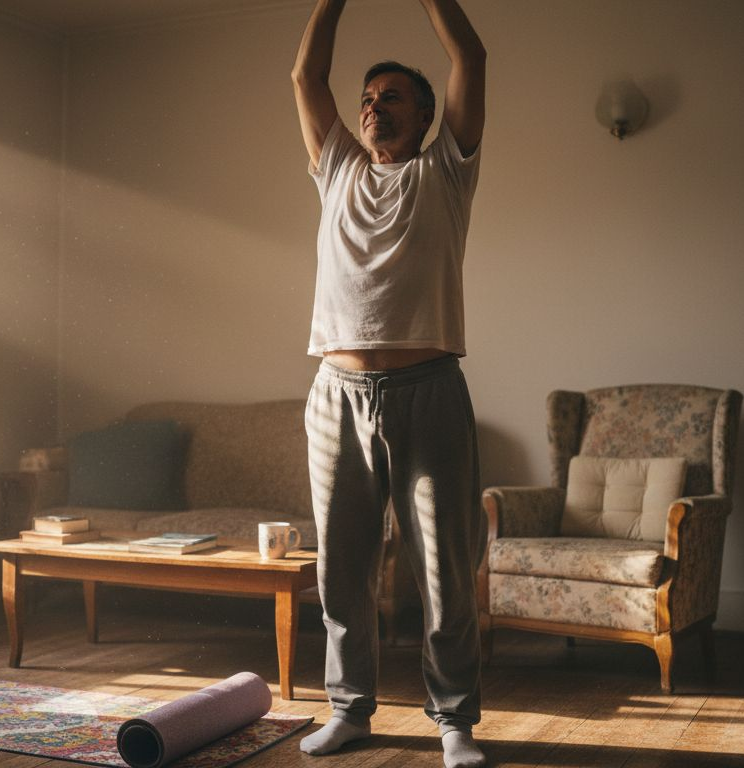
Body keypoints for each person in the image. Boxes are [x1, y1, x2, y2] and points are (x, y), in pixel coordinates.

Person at [291, 2, 487, 767]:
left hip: (430, 390)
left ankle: (455, 722)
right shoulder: (336, 166)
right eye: (368, 99)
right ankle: (351, 710)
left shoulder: (447, 169)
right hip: (336, 395)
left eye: (391, 97)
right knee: (343, 568)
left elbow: (469, 56)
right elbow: (306, 74)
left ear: (426, 114)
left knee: (444, 567)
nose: (373, 107)